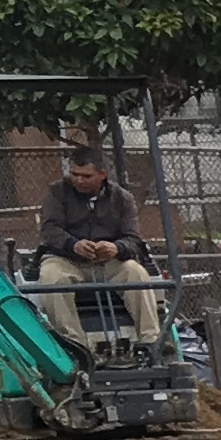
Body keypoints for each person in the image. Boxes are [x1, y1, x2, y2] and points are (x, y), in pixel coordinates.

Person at [34, 144, 163, 347]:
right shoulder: (57, 192)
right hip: (67, 259)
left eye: (86, 176)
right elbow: (49, 229)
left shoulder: (122, 199)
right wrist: (72, 244)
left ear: (102, 175)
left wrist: (116, 248)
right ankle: (74, 345)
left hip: (108, 262)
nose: (78, 180)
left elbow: (133, 239)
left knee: (136, 273)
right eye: (74, 174)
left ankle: (151, 341)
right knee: (51, 277)